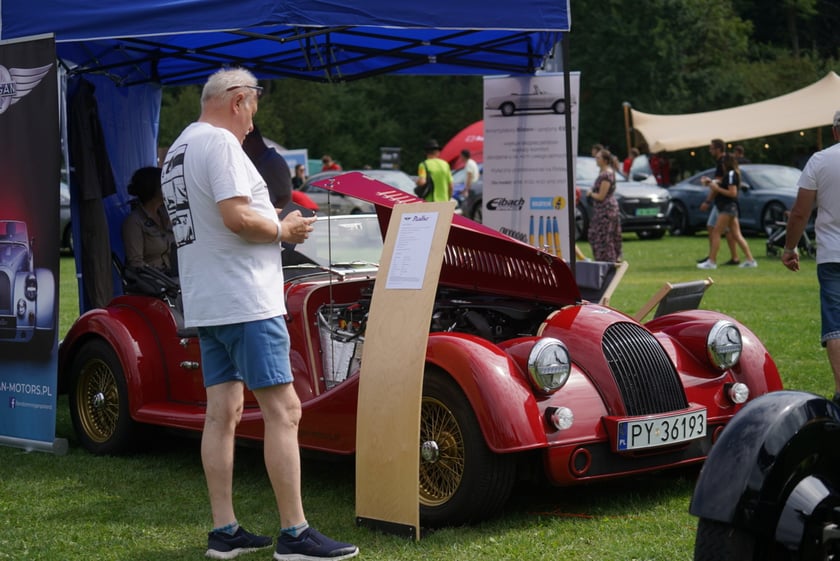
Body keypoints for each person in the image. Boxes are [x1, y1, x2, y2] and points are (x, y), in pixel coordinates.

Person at [160, 67, 359, 561]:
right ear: (237, 101)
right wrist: (282, 229)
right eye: (252, 111)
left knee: (222, 413)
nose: (251, 125)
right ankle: (295, 534)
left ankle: (223, 530)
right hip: (245, 298)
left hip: (208, 299)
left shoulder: (178, 149)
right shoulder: (222, 145)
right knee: (284, 410)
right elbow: (237, 217)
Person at [782, 109, 840, 404]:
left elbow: (800, 212)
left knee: (835, 324)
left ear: (834, 131)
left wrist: (790, 248)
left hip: (832, 254)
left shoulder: (819, 160)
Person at [697, 153, 757, 269]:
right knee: (736, 234)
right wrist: (711, 183)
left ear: (726, 163)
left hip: (727, 207)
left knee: (716, 232)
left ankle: (712, 261)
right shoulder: (730, 174)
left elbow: (732, 193)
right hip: (729, 208)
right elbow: (723, 185)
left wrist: (716, 188)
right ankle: (750, 260)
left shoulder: (730, 174)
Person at [121, 166, 174, 272]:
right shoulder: (134, 222)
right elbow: (136, 264)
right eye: (163, 185)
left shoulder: (164, 215)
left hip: (169, 276)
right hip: (152, 282)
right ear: (152, 189)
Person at [697, 138, 740, 265]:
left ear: (718, 149)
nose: (710, 151)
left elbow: (720, 185)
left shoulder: (723, 163)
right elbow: (719, 182)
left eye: (711, 148)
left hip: (724, 203)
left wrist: (708, 201)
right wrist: (710, 182)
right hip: (725, 202)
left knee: (715, 229)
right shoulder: (723, 161)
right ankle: (734, 257)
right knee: (728, 230)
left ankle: (712, 259)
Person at [242, 123, 292, 209]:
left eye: (243, 143)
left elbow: (285, 198)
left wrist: (265, 215)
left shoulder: (273, 163)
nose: (241, 148)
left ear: (251, 141)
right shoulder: (259, 162)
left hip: (270, 219)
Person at [586, 149, 622, 262]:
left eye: (598, 158)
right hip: (602, 210)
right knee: (596, 235)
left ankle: (608, 262)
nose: (596, 160)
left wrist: (591, 194)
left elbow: (601, 196)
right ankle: (604, 260)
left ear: (605, 160)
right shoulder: (603, 173)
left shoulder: (607, 175)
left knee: (603, 237)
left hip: (606, 210)